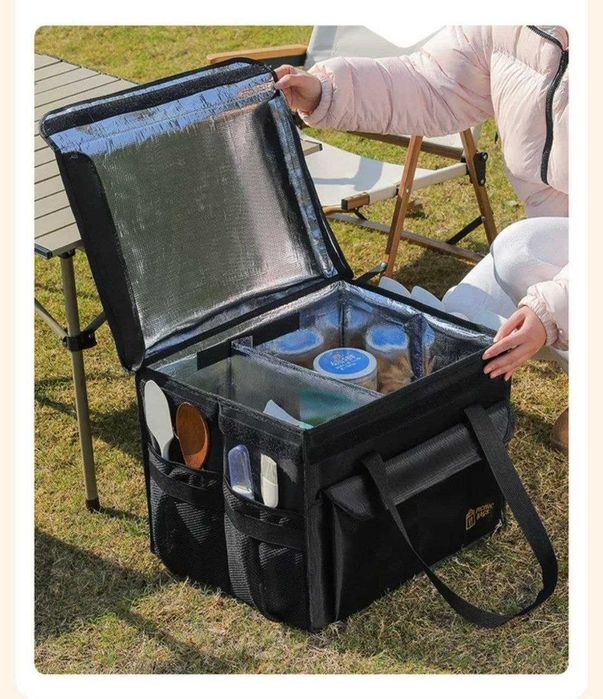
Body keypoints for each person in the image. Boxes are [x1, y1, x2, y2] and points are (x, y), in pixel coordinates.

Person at [274, 25, 569, 452]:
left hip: (558, 253)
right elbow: (433, 82)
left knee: (520, 253)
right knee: (457, 322)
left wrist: (552, 308)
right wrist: (325, 91)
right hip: (560, 236)